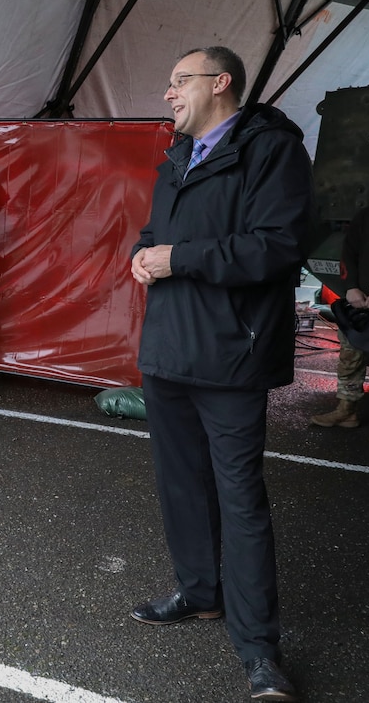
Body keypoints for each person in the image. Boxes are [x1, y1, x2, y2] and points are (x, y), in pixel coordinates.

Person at [129, 47, 311, 702]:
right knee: (181, 483)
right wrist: (143, 255)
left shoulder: (272, 150)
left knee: (241, 498)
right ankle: (200, 591)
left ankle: (260, 651)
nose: (170, 94)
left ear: (219, 83)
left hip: (231, 353)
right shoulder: (177, 158)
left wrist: (179, 258)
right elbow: (154, 233)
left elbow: (279, 245)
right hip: (170, 348)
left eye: (179, 81)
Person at [310, 151, 369, 445]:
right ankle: (346, 410)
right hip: (360, 301)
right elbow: (348, 252)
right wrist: (350, 287)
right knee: (350, 355)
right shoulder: (367, 215)